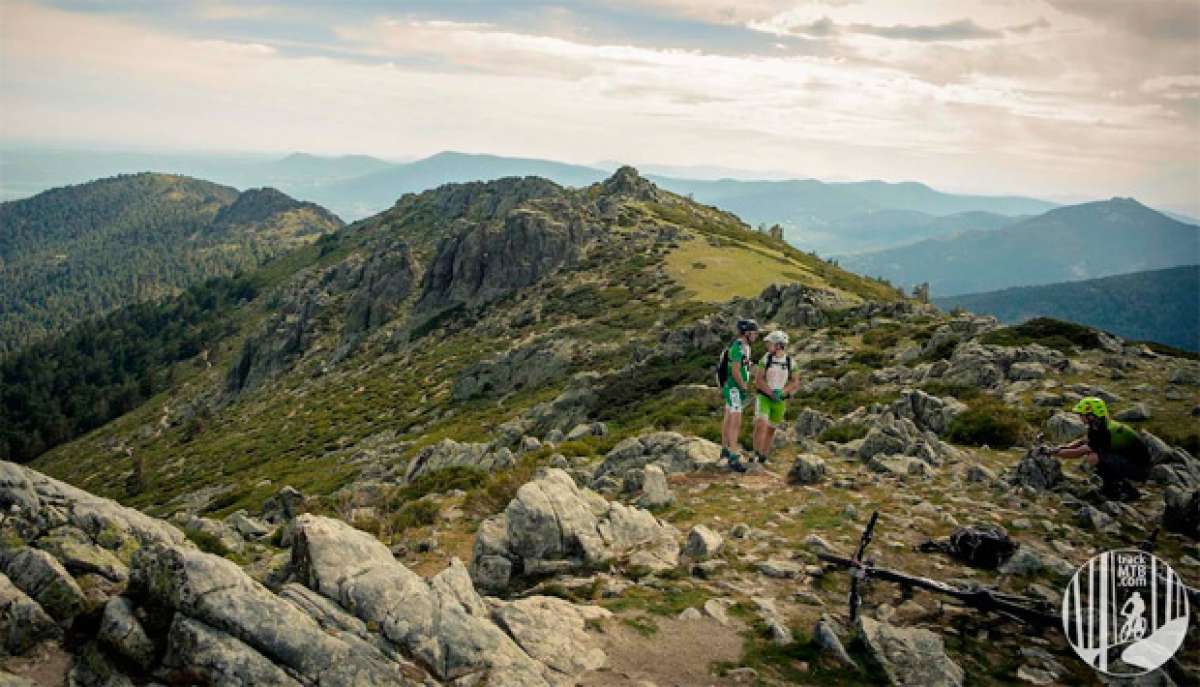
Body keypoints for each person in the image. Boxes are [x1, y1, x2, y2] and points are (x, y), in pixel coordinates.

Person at [1051, 397, 1151, 501]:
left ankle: (1121, 491)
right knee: (1098, 457)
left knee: (1094, 458)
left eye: (1082, 415)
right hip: (1127, 460)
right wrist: (1063, 448)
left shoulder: (1106, 431)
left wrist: (1054, 453)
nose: (1079, 417)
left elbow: (1079, 452)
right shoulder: (1098, 425)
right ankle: (1112, 487)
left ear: (1091, 415)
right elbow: (1083, 441)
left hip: (1139, 469)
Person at [751, 330, 800, 463]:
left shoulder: (790, 362)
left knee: (771, 429)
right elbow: (759, 380)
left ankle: (764, 456)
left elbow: (795, 382)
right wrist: (770, 393)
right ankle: (755, 453)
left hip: (780, 400)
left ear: (779, 345)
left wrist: (783, 392)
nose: (767, 346)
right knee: (761, 423)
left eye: (770, 343)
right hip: (764, 397)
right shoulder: (765, 359)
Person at [720, 318, 759, 472]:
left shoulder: (745, 347)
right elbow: (736, 371)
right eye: (754, 333)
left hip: (733, 388)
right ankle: (733, 456)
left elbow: (745, 365)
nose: (756, 336)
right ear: (746, 333)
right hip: (734, 388)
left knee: (729, 418)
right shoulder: (737, 347)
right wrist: (744, 386)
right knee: (736, 422)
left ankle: (725, 449)